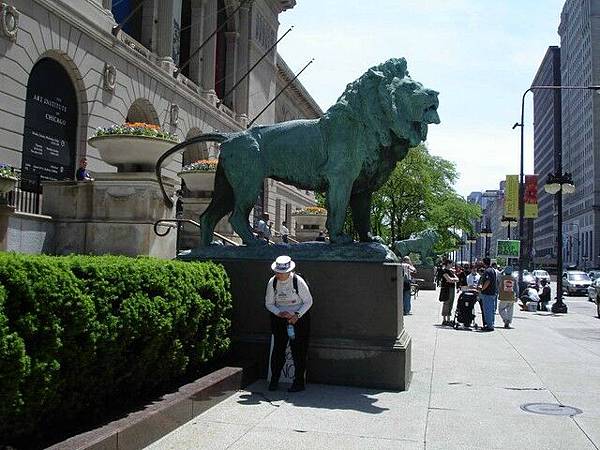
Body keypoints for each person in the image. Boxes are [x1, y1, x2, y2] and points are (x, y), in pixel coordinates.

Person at [265, 255, 313, 392]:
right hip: (280, 319)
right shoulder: (272, 282)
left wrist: (297, 315)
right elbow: (269, 303)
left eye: (281, 273)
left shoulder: (298, 281)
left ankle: (299, 382)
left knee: (299, 351)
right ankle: (274, 379)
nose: (278, 275)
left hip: (299, 319)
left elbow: (308, 301)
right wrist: (278, 313)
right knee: (278, 350)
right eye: (277, 272)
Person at [478, 257, 498, 331]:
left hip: (487, 293)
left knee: (487, 310)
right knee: (491, 310)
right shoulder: (492, 270)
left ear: (484, 263)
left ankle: (489, 326)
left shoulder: (487, 271)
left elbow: (487, 281)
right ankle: (491, 324)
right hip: (492, 293)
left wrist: (482, 289)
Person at [439, 259, 459, 325]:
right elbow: (449, 279)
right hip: (446, 289)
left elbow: (457, 279)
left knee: (451, 303)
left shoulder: (451, 272)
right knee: (446, 303)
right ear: (448, 264)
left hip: (452, 288)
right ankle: (444, 319)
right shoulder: (444, 271)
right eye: (451, 264)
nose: (452, 265)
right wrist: (453, 280)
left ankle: (448, 319)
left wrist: (453, 279)